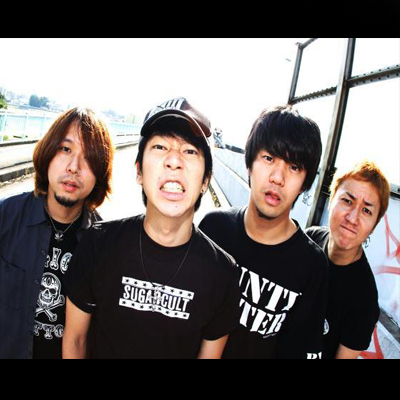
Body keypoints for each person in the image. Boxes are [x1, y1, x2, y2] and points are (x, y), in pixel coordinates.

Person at [63, 97, 241, 359]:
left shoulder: (223, 273)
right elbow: (76, 340)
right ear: (139, 171)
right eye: (160, 146)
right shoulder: (98, 245)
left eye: (189, 151)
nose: (173, 161)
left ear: (206, 181)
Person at [199, 105, 329, 359]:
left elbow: (303, 348)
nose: (278, 177)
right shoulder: (213, 229)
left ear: (305, 183)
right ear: (249, 162)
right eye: (269, 158)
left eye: (294, 167)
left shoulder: (311, 265)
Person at [0, 107, 114, 359]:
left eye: (89, 158)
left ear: (100, 173)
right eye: (65, 149)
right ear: (48, 153)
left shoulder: (102, 244)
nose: (74, 167)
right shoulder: (6, 216)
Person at [306, 160, 389, 359]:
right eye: (347, 201)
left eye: (366, 210)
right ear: (331, 200)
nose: (352, 218)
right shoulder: (308, 241)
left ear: (374, 226)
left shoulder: (364, 300)